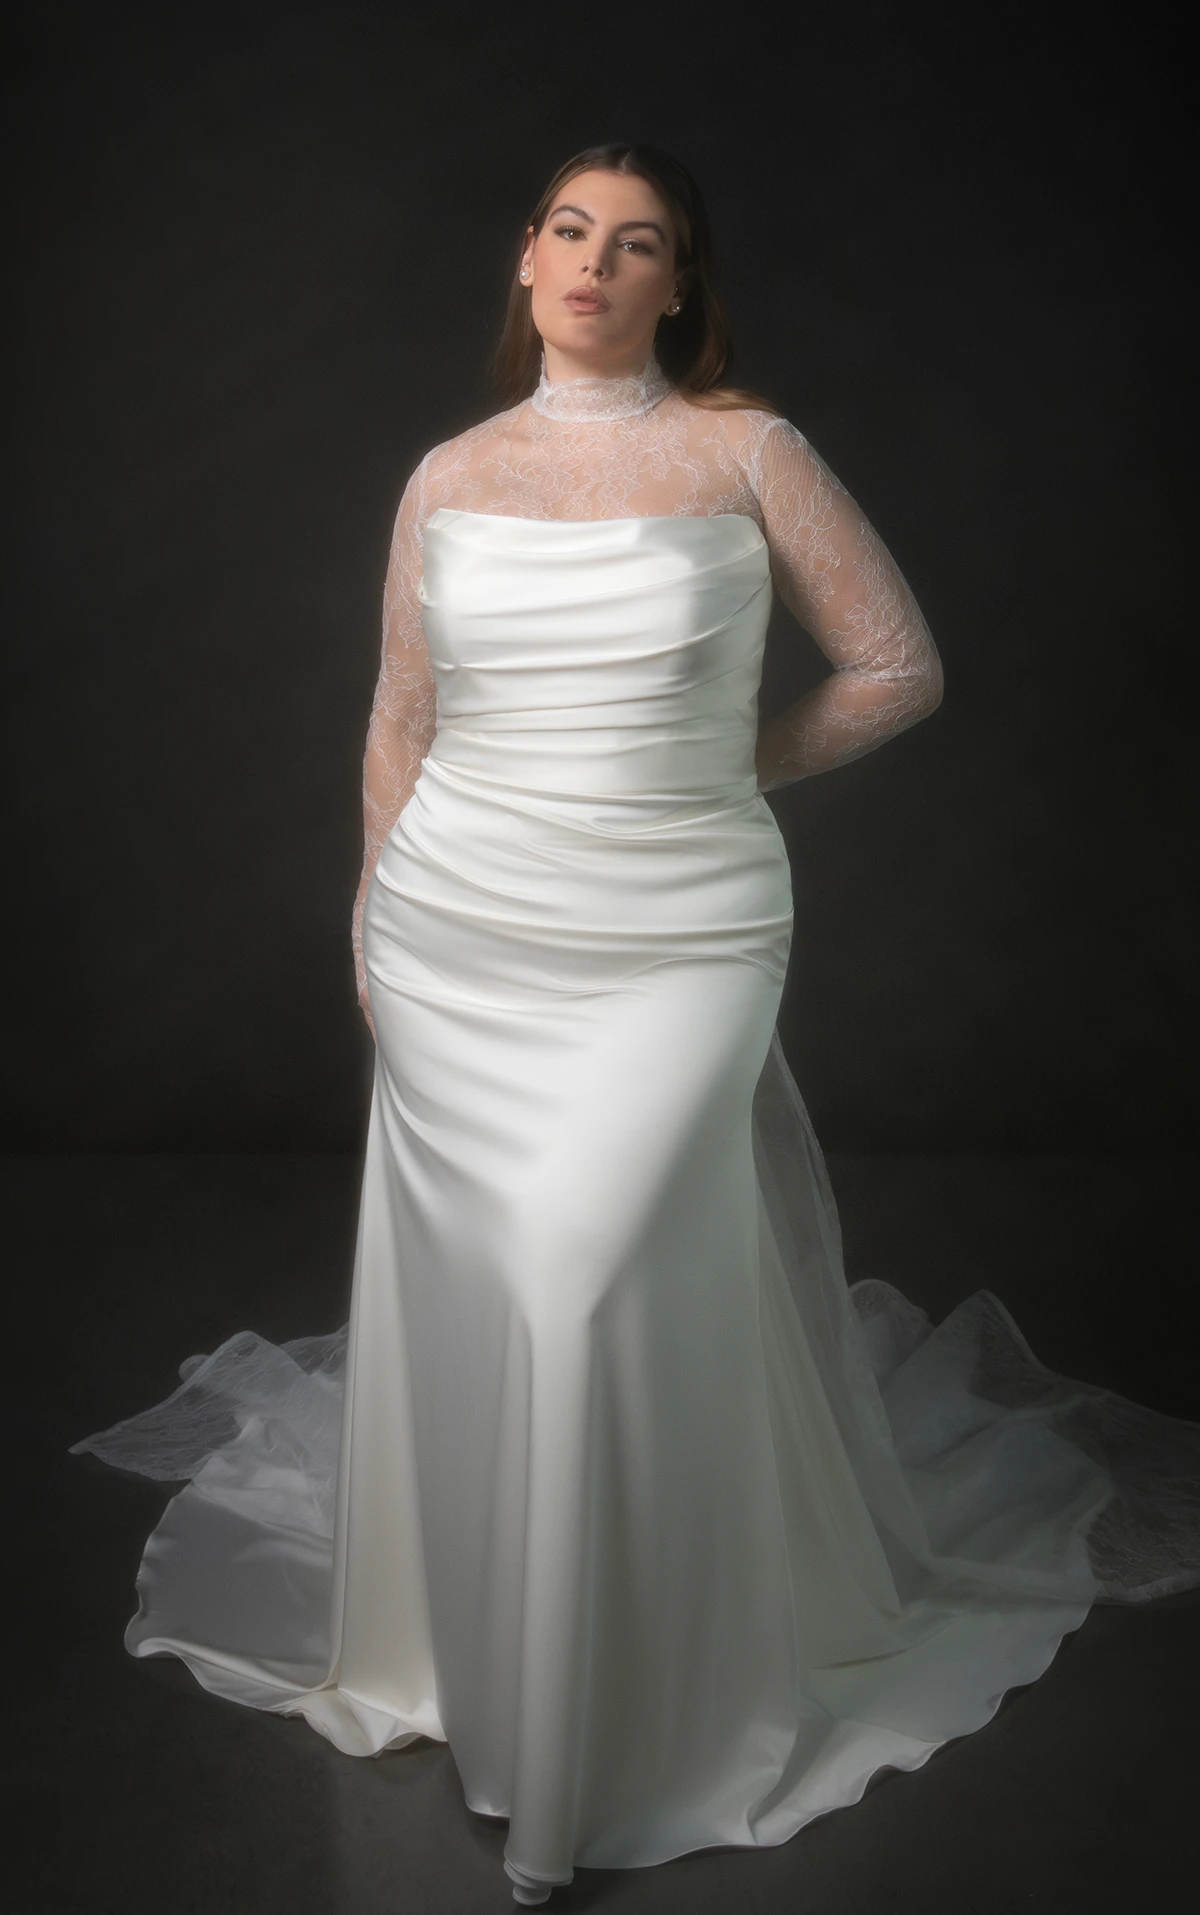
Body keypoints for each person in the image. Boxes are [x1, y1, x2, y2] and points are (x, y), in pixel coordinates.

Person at [72, 144, 1200, 1908]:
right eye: (572, 229)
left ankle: (610, 1721)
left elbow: (898, 666)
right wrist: (371, 914)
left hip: (680, 926)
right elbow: (398, 718)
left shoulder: (749, 451)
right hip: (456, 929)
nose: (598, 261)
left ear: (681, 286)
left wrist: (707, 773)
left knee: (585, 1269)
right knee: (497, 1278)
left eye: (641, 242)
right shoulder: (449, 474)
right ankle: (478, 1650)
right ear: (526, 262)